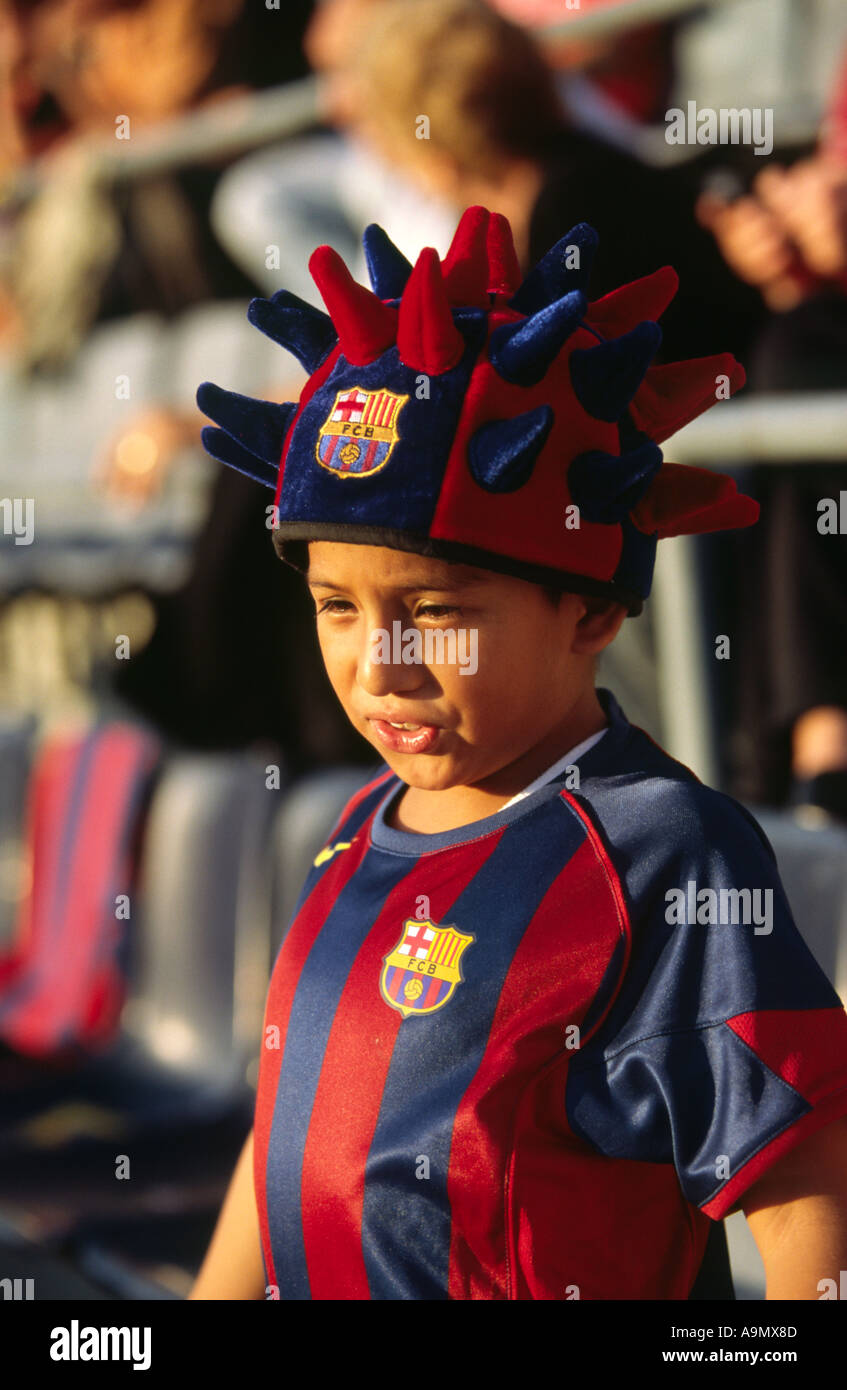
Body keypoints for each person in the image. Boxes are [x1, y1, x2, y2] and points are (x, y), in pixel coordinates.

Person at [188, 207, 847, 1300]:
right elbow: (288, 1132)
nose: (378, 664)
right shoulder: (358, 827)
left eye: (433, 609)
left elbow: (807, 1184)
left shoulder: (664, 856)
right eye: (336, 606)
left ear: (589, 609)